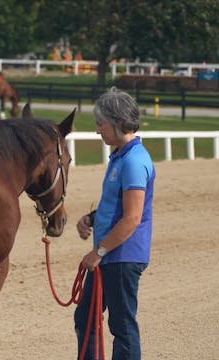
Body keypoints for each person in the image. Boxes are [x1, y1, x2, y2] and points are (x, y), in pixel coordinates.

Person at [75, 88, 155, 360]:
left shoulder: (133, 161)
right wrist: (91, 218)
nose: (98, 130)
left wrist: (97, 252)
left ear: (119, 122)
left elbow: (131, 217)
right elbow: (116, 205)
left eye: (101, 124)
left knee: (122, 327)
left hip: (120, 256)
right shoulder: (120, 156)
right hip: (110, 255)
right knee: (86, 317)